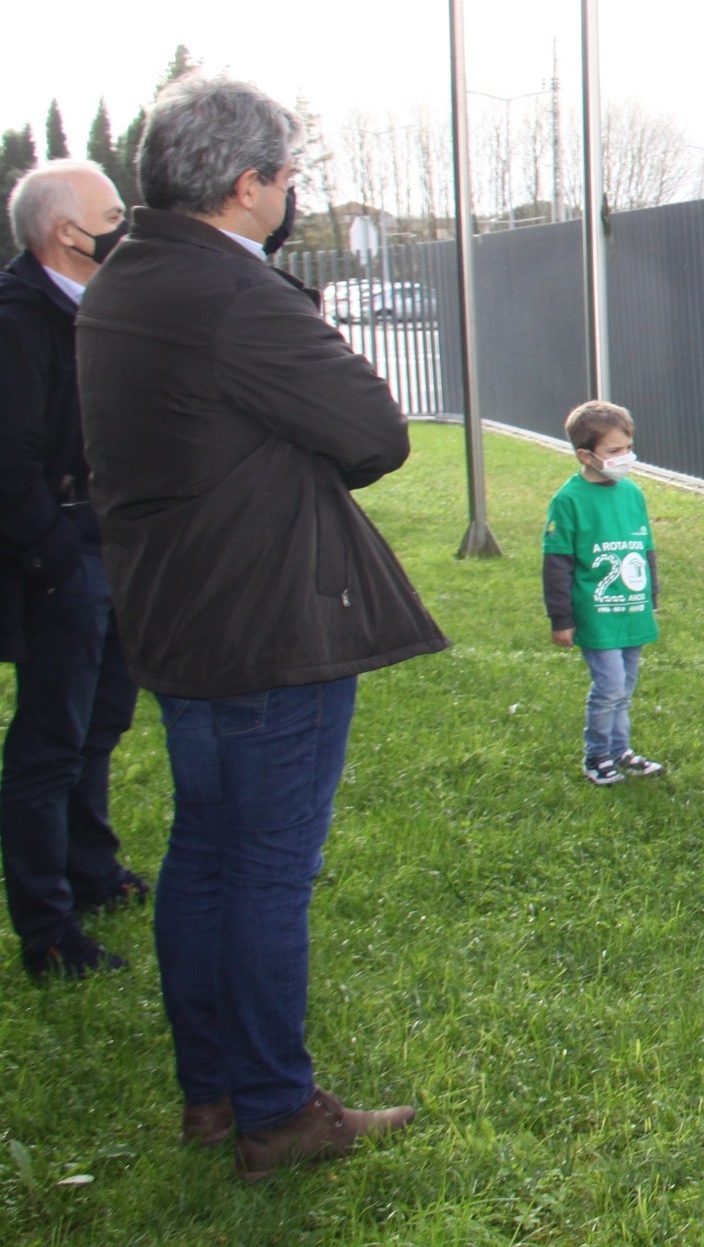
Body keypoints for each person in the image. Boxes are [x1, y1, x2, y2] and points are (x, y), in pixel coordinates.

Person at [76, 74, 447, 1178]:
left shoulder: (127, 275)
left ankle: (215, 1092)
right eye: (288, 176)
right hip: (267, 620)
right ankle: (277, 1111)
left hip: (179, 611)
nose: (292, 194)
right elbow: (374, 432)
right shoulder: (235, 292)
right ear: (247, 186)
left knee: (204, 853)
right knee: (266, 870)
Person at [0, 159, 144, 981]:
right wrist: (56, 561)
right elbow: (10, 462)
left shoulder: (99, 309)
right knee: (50, 744)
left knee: (101, 723)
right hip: (64, 557)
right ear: (65, 232)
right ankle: (49, 931)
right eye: (114, 215)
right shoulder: (17, 320)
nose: (126, 228)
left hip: (111, 545)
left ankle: (93, 871)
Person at [542, 401, 666, 785]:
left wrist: (651, 598)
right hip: (597, 614)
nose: (625, 457)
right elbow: (557, 564)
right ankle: (596, 755)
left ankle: (620, 749)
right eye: (614, 451)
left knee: (625, 687)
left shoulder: (633, 494)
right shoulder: (568, 501)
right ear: (586, 455)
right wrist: (561, 619)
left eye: (628, 448)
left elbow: (645, 551)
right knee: (609, 686)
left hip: (632, 610)